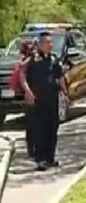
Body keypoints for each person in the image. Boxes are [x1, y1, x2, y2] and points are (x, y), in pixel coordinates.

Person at [20, 32, 67, 171]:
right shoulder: (33, 59)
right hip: (38, 100)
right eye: (47, 42)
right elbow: (21, 72)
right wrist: (28, 91)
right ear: (40, 44)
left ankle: (50, 158)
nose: (50, 45)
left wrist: (65, 93)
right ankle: (40, 159)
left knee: (52, 128)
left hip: (52, 99)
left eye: (51, 42)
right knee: (40, 129)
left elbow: (60, 77)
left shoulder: (54, 59)